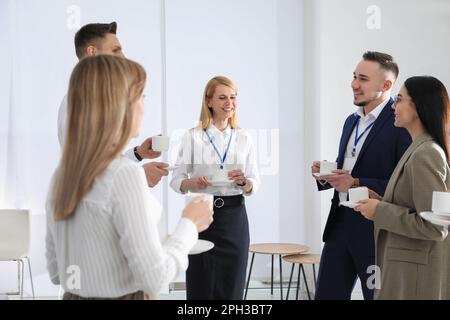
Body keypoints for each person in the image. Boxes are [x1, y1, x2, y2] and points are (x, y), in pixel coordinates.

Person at [46, 55, 213, 299]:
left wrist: (151, 241)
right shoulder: (124, 175)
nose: (144, 105)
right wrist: (190, 224)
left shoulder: (60, 176)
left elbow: (56, 273)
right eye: (141, 96)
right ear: (120, 106)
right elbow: (156, 279)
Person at [311, 51, 411, 300]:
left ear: (386, 85)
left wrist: (356, 182)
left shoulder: (399, 123)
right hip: (339, 226)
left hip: (375, 231)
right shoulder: (350, 121)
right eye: (354, 76)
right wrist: (327, 174)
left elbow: (404, 186)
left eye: (363, 79)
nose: (354, 84)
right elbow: (351, 170)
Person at [355, 76, 450, 299]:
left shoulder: (426, 154)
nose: (393, 107)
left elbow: (435, 227)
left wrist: (379, 210)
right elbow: (415, 204)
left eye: (399, 100)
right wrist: (379, 199)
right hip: (407, 271)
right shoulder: (418, 148)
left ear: (418, 106)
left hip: (415, 277)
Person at [170, 76, 260, 300]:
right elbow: (176, 180)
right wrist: (193, 182)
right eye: (222, 97)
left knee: (232, 288)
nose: (229, 102)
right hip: (203, 217)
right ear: (209, 101)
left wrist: (243, 182)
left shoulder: (244, 137)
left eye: (232, 97)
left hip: (234, 219)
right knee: (201, 286)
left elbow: (254, 182)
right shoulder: (192, 137)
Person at [57, 21, 168, 187]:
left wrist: (138, 153)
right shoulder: (82, 101)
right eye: (116, 50)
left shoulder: (91, 97)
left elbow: (103, 161)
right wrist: (140, 176)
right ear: (93, 52)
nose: (123, 57)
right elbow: (89, 172)